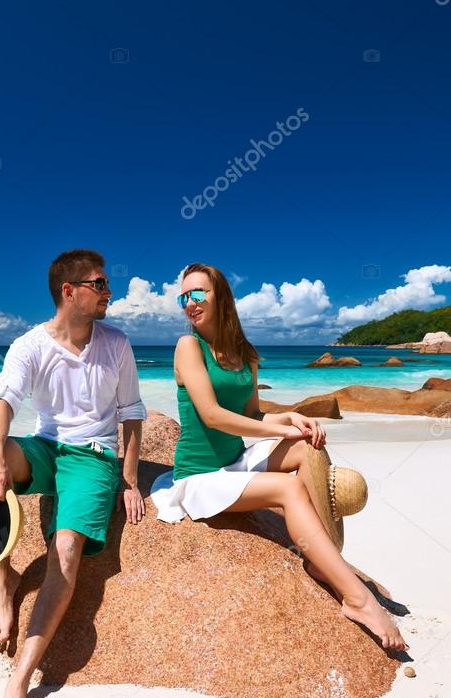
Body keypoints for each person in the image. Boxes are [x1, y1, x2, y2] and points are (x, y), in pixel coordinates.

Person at [149, 262, 407, 652]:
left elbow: (252, 415)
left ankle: (323, 558)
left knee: (307, 445)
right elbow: (213, 416)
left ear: (221, 297)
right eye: (183, 297)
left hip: (234, 465)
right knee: (287, 488)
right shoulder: (189, 347)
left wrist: (290, 418)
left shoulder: (244, 354)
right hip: (199, 478)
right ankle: (357, 598)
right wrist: (278, 429)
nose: (190, 303)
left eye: (198, 293)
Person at [0, 248, 147, 698]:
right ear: (68, 292)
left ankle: (18, 686)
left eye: (106, 285)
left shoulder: (116, 344)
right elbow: (2, 403)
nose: (109, 293)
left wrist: (129, 479)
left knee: (67, 552)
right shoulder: (30, 345)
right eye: (99, 285)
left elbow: (132, 413)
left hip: (93, 458)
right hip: (47, 447)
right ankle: (2, 582)